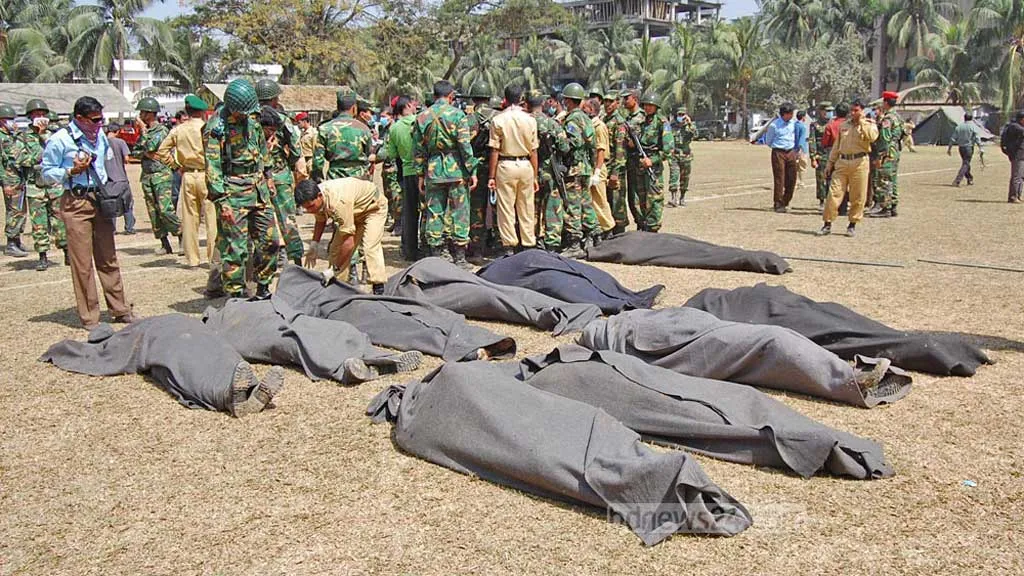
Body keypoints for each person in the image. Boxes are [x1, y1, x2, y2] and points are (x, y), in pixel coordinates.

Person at [41, 96, 134, 329]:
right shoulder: (60, 140)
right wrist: (70, 170)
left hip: (101, 200)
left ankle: (120, 309)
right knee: (82, 263)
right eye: (94, 120)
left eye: (101, 119)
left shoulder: (100, 136)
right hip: (76, 200)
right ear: (79, 118)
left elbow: (106, 164)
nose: (99, 124)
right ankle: (90, 317)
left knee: (108, 257)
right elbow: (45, 173)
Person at [204, 78, 280, 300]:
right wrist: (222, 201)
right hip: (232, 192)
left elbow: (262, 148)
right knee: (235, 250)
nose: (246, 117)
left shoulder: (253, 118)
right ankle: (235, 296)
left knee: (270, 241)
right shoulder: (216, 128)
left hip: (258, 189)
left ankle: (264, 288)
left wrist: (268, 176)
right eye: (242, 113)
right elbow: (213, 167)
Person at [412, 80, 477, 266]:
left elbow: (418, 149)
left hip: (433, 169)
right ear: (450, 96)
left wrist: (420, 174)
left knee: (434, 212)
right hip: (456, 169)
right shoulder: (458, 115)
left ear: (434, 96)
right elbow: (465, 145)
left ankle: (435, 254)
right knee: (460, 212)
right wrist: (471, 169)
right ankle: (460, 257)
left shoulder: (422, 117)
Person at [154, 94, 217, 268]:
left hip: (187, 174)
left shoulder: (178, 129)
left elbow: (161, 152)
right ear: (203, 112)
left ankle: (192, 258)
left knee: (190, 218)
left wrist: (176, 166)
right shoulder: (207, 128)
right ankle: (213, 258)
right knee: (212, 218)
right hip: (207, 174)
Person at [296, 177, 388, 294]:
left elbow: (349, 243)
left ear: (319, 196)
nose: (309, 211)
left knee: (370, 246)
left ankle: (378, 287)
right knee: (336, 249)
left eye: (310, 207)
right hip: (354, 211)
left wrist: (334, 269)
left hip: (373, 208)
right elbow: (320, 220)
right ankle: (339, 286)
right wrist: (314, 244)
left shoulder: (338, 201)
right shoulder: (317, 200)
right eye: (306, 208)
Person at [255, 79, 306, 267]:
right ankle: (297, 262)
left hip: (257, 177)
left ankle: (267, 261)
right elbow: (295, 149)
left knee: (260, 221)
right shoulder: (283, 120)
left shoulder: (250, 119)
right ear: (275, 99)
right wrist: (290, 164)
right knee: (287, 220)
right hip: (280, 174)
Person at [486, 84, 539, 256]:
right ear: (521, 99)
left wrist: (491, 176)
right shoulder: (530, 120)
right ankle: (528, 244)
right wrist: (535, 175)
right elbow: (533, 151)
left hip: (505, 165)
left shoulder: (498, 120)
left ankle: (509, 247)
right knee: (527, 206)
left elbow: (494, 149)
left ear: (505, 99)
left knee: (506, 208)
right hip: (525, 165)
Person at [17, 99, 67, 270]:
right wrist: (39, 157)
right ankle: (43, 256)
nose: (40, 117)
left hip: (54, 185)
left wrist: (44, 135)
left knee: (60, 220)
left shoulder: (56, 134)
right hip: (35, 186)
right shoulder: (23, 137)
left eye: (42, 114)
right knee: (39, 224)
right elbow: (21, 159)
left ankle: (67, 251)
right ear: (30, 116)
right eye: (36, 114)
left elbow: (60, 152)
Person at [817, 99, 878, 237]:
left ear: (862, 111)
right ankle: (827, 224)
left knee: (858, 196)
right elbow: (836, 146)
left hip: (860, 163)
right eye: (852, 110)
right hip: (842, 162)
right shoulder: (844, 125)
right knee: (833, 194)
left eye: (856, 110)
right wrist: (830, 163)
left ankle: (852, 224)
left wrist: (862, 122)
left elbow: (872, 137)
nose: (853, 113)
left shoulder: (870, 125)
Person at [131, 98, 182, 256]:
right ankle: (164, 243)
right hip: (147, 175)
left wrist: (143, 133)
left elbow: (150, 147)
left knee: (165, 209)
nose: (140, 116)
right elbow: (136, 152)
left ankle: (181, 236)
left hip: (161, 174)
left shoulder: (161, 131)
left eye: (142, 112)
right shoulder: (146, 132)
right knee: (153, 212)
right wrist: (147, 152)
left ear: (150, 113)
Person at [526, 92, 569, 253]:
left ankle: (532, 239)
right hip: (550, 171)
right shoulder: (552, 124)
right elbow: (565, 147)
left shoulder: (523, 122)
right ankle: (552, 244)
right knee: (553, 208)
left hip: (529, 171)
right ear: (543, 103)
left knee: (531, 207)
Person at [560, 82, 598, 255]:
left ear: (568, 101)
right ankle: (593, 235)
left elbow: (572, 142)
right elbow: (593, 145)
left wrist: (560, 140)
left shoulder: (573, 119)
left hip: (574, 168)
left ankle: (575, 244)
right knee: (586, 203)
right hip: (585, 168)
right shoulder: (586, 118)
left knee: (573, 206)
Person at [633, 92, 673, 232]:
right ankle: (643, 225)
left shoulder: (662, 123)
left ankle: (653, 228)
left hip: (653, 168)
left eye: (651, 105)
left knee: (654, 199)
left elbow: (668, 149)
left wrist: (653, 160)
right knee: (640, 198)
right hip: (640, 166)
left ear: (656, 107)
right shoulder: (642, 123)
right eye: (646, 105)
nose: (648, 108)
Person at [465, 81, 497, 258]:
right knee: (497, 206)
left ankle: (476, 246)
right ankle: (498, 243)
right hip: (496, 168)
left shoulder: (470, 119)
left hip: (476, 168)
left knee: (476, 208)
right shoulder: (498, 116)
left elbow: (465, 144)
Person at [313, 89, 373, 181]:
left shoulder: (324, 129)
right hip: (359, 179)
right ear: (354, 108)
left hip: (335, 178)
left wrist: (319, 181)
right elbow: (368, 153)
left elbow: (318, 161)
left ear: (338, 107)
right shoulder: (363, 129)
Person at [385, 96, 419, 260]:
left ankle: (409, 250)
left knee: (409, 213)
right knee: (429, 213)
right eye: (413, 104)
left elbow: (391, 154)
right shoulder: (421, 121)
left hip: (407, 173)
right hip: (425, 173)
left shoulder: (394, 128)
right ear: (408, 105)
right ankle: (428, 249)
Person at [867, 91, 905, 218]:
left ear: (886, 102)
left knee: (884, 180)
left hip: (887, 151)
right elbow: (904, 134)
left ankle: (886, 208)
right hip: (895, 150)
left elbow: (884, 138)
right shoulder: (898, 117)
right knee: (892, 179)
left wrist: (880, 155)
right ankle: (893, 205)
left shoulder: (887, 119)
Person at [583, 97, 616, 236]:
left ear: (591, 110)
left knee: (600, 202)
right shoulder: (589, 125)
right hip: (592, 167)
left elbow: (601, 150)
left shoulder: (599, 126)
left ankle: (608, 230)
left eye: (584, 108)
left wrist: (597, 172)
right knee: (593, 203)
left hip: (598, 167)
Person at [1, 104, 28, 257]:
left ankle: (17, 239)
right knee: (14, 210)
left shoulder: (13, 136)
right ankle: (11, 242)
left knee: (20, 209)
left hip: (18, 178)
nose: (12, 122)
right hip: (9, 179)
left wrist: (17, 134)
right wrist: (5, 182)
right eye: (8, 119)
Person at [763, 102, 799, 212]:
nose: (792, 116)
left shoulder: (794, 124)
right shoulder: (774, 125)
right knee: (780, 178)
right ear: (784, 114)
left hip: (791, 152)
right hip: (779, 152)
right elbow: (768, 141)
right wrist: (777, 148)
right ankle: (778, 203)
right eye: (790, 114)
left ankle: (786, 200)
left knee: (792, 178)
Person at [602, 91, 629, 233]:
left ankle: (620, 232)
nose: (607, 104)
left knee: (617, 203)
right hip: (605, 168)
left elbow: (620, 150)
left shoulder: (619, 122)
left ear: (617, 103)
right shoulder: (604, 119)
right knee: (607, 202)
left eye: (610, 101)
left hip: (615, 169)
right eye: (605, 101)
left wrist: (615, 173)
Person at [105, 123, 135, 235]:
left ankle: (112, 229)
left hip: (107, 179)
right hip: (121, 177)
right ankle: (129, 227)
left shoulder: (101, 143)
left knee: (110, 203)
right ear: (117, 132)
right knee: (127, 203)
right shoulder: (121, 142)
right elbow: (127, 158)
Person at [621, 89, 646, 227]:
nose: (624, 101)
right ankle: (639, 223)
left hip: (638, 162)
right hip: (630, 162)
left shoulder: (641, 117)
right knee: (631, 197)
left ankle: (643, 224)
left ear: (635, 99)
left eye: (627, 98)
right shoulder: (629, 118)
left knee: (639, 196)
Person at [668, 106, 697, 207]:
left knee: (685, 178)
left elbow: (695, 135)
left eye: (682, 115)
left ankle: (682, 197)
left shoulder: (690, 126)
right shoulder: (671, 126)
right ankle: (673, 198)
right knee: (673, 176)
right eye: (679, 115)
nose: (680, 117)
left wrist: (689, 124)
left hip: (686, 155)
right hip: (674, 155)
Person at [808, 102, 834, 210]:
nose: (829, 113)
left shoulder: (834, 123)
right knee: (821, 180)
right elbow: (812, 141)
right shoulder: (815, 125)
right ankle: (822, 201)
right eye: (827, 111)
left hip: (833, 154)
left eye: (830, 111)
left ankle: (831, 200)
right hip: (821, 155)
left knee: (833, 179)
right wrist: (813, 157)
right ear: (821, 111)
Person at [948, 112, 982, 187]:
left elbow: (953, 139)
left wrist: (949, 148)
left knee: (966, 163)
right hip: (969, 148)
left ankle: (970, 178)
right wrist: (981, 148)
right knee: (966, 164)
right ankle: (957, 180)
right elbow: (977, 138)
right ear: (972, 119)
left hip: (961, 148)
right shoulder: (973, 127)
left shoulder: (959, 127)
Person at [1000, 110, 1024, 203]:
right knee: (1017, 176)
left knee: (1021, 176)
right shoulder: (1014, 126)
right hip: (1017, 155)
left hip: (1021, 154)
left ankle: (1018, 195)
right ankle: (1013, 196)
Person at [795, 110, 810, 190]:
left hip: (793, 149)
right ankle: (801, 182)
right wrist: (800, 149)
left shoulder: (795, 125)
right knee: (802, 167)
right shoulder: (803, 126)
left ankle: (796, 182)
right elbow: (801, 138)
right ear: (803, 117)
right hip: (801, 149)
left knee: (795, 167)